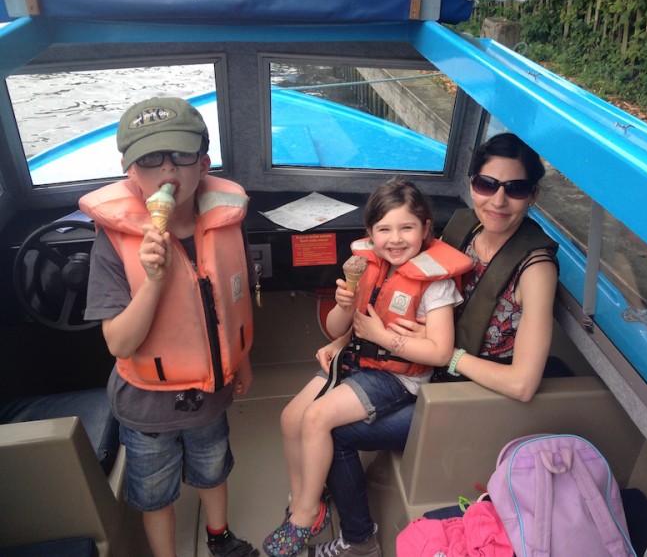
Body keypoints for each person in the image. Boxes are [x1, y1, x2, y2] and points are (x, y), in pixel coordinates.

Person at [309, 133, 560, 557]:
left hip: (466, 395)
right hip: (422, 367)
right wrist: (348, 339)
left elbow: (522, 384)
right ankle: (327, 490)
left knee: (334, 429)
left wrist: (449, 356)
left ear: (532, 195)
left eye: (514, 189)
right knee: (320, 394)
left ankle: (358, 539)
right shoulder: (466, 231)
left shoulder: (535, 270)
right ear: (471, 184)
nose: (497, 200)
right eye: (486, 185)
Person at [80, 97, 259, 557]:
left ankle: (219, 537)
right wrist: (154, 282)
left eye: (180, 157)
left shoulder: (225, 222)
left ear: (203, 164)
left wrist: (241, 360)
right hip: (146, 410)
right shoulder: (112, 245)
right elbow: (119, 341)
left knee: (213, 468)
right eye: (149, 160)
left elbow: (230, 306)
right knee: (155, 493)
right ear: (129, 170)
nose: (167, 172)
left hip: (211, 392)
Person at [263, 178, 473, 557]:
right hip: (358, 359)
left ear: (426, 229)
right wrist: (345, 307)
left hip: (397, 378)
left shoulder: (436, 286)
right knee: (291, 417)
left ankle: (306, 514)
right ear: (370, 233)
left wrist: (382, 334)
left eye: (407, 227)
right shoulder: (369, 268)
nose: (395, 239)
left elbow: (441, 353)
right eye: (384, 229)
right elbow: (336, 330)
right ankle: (305, 501)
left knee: (316, 419)